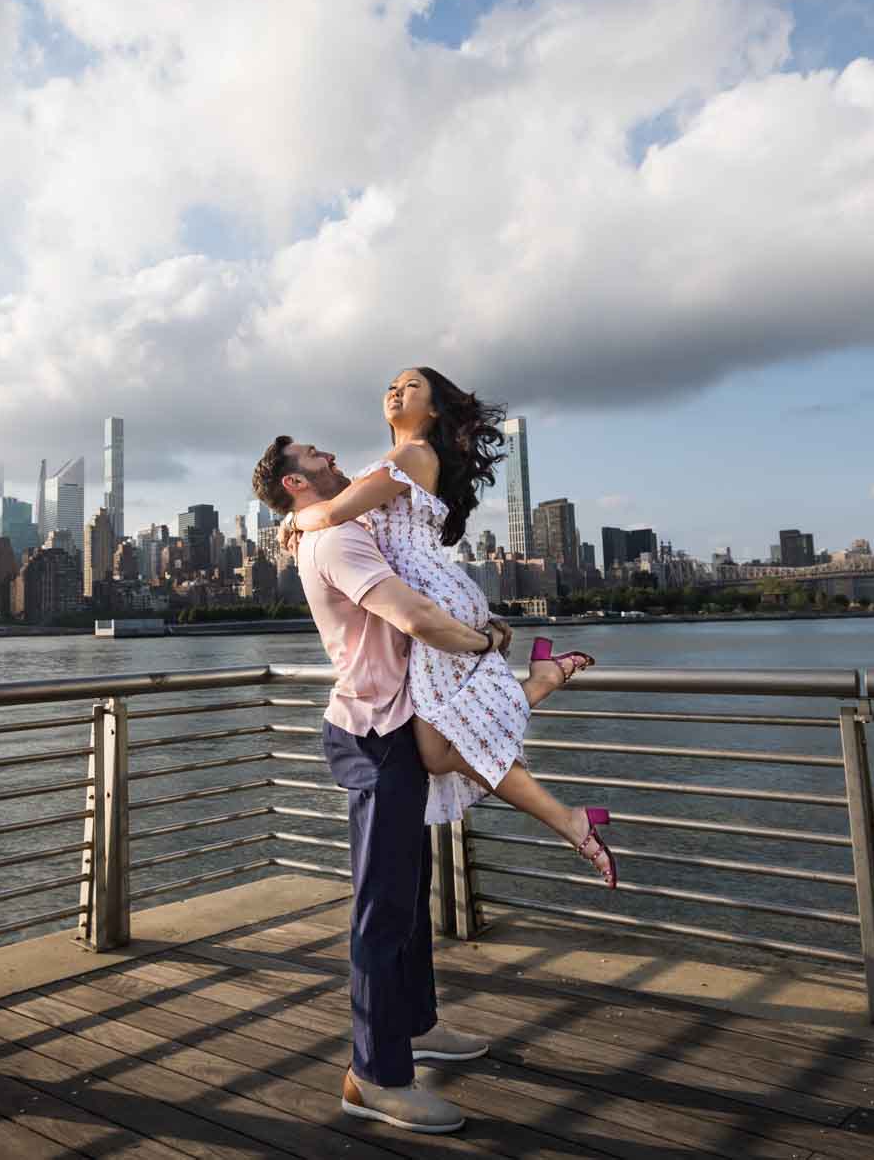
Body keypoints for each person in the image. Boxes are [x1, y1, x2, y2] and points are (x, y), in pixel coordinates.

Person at [252, 423, 606, 1134]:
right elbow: (410, 614)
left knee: (406, 895)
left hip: (395, 727)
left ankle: (411, 1023)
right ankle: (374, 1075)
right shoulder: (336, 538)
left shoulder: (335, 521)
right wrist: (486, 638)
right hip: (376, 734)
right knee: (382, 912)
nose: (329, 453)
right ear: (295, 481)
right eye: (313, 456)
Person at [282, 368, 617, 877]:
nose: (396, 390)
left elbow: (331, 514)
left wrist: (288, 521)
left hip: (429, 599)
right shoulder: (402, 461)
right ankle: (562, 785)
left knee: (446, 744)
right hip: (434, 591)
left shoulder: (411, 455)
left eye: (412, 386)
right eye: (391, 384)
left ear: (434, 409)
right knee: (438, 753)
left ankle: (563, 790)